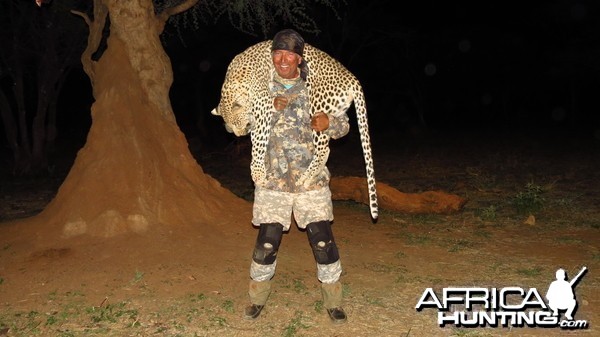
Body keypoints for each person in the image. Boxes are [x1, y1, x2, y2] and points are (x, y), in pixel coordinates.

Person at [243, 29, 350, 323]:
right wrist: (266, 108)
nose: (283, 60)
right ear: (272, 57)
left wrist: (331, 122)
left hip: (310, 182)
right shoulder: (260, 89)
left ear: (299, 59)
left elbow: (343, 127)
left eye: (289, 54)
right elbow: (238, 124)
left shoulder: (316, 88)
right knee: (267, 241)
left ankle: (334, 301)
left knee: (322, 241)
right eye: (278, 54)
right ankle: (257, 299)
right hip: (272, 182)